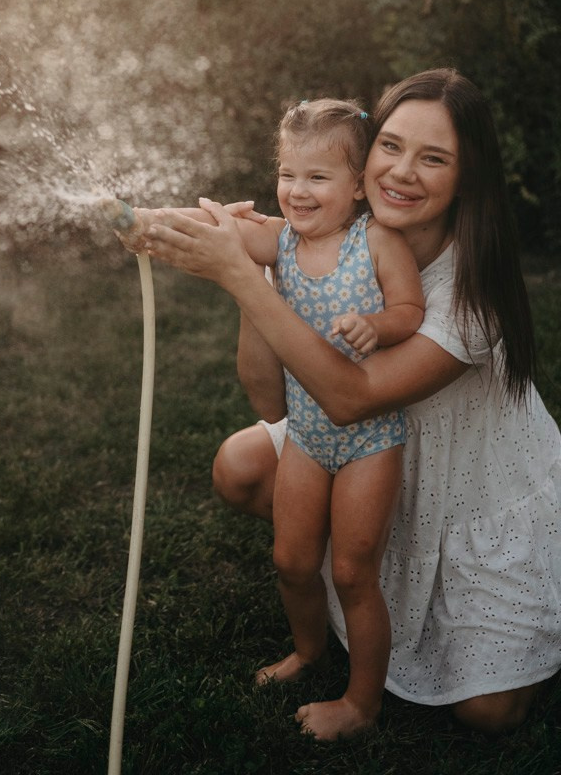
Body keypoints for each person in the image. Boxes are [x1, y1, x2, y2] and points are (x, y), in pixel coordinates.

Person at [141, 69, 561, 740]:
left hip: (467, 486)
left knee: (487, 712)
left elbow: (351, 398)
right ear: (364, 158)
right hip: (350, 451)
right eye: (391, 147)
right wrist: (155, 226)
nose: (402, 171)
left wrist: (244, 281)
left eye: (434, 158)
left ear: (467, 177)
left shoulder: (471, 300)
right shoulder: (324, 235)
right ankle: (333, 603)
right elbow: (270, 399)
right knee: (241, 466)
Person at [126, 97, 425, 739]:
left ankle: (363, 703)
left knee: (352, 569)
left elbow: (410, 311)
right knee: (291, 559)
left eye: (319, 177)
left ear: (357, 184)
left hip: (372, 438)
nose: (298, 191)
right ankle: (309, 652)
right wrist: (145, 220)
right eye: (289, 174)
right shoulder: (281, 241)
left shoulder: (377, 241)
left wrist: (376, 324)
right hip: (309, 438)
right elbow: (220, 237)